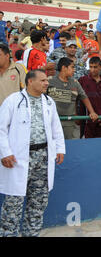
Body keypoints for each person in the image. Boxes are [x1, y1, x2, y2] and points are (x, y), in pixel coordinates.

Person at [0, 69, 65, 237]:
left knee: (38, 201)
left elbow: (56, 128)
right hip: (19, 158)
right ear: (30, 81)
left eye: (46, 80)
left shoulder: (49, 102)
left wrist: (59, 149)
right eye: (42, 80)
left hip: (43, 156)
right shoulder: (13, 101)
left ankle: (32, 234)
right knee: (14, 202)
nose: (46, 83)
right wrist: (4, 152)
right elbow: (1, 129)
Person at [47, 57, 98, 139]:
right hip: (52, 119)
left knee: (69, 144)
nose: (74, 70)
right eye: (72, 67)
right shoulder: (49, 81)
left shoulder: (75, 83)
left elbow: (84, 97)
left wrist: (92, 112)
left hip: (69, 121)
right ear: (64, 68)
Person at [78, 57, 101, 139]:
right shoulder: (82, 80)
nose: (92, 69)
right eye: (90, 67)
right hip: (86, 120)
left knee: (100, 144)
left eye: (95, 67)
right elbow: (76, 99)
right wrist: (76, 114)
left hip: (100, 119)